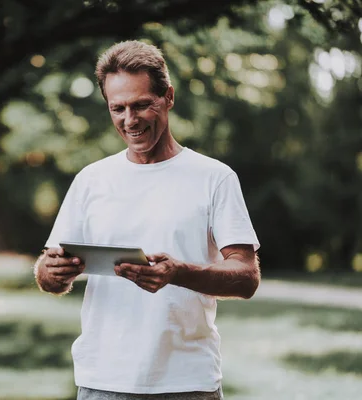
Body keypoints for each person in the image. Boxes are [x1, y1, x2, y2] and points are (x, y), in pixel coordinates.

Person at [33, 40, 260, 400]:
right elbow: (48, 276)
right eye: (117, 108)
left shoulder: (215, 178)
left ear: (168, 97)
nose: (130, 120)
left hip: (186, 382)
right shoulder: (91, 180)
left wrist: (178, 272)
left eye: (142, 105)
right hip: (102, 381)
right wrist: (52, 271)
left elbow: (247, 277)